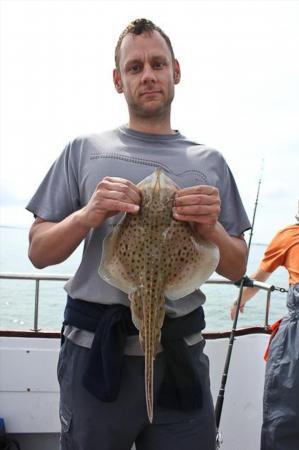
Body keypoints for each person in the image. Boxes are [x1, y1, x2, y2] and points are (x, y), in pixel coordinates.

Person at [27, 18, 250, 450]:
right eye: (134, 67)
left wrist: (210, 230)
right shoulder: (83, 149)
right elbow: (38, 252)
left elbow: (238, 266)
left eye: (157, 64)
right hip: (96, 355)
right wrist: (88, 214)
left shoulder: (211, 160)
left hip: (181, 354)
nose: (147, 74)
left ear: (176, 71)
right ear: (118, 80)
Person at [230, 211, 299, 450]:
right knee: (284, 419)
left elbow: (260, 275)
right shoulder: (289, 236)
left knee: (284, 419)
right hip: (294, 343)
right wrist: (240, 299)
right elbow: (260, 274)